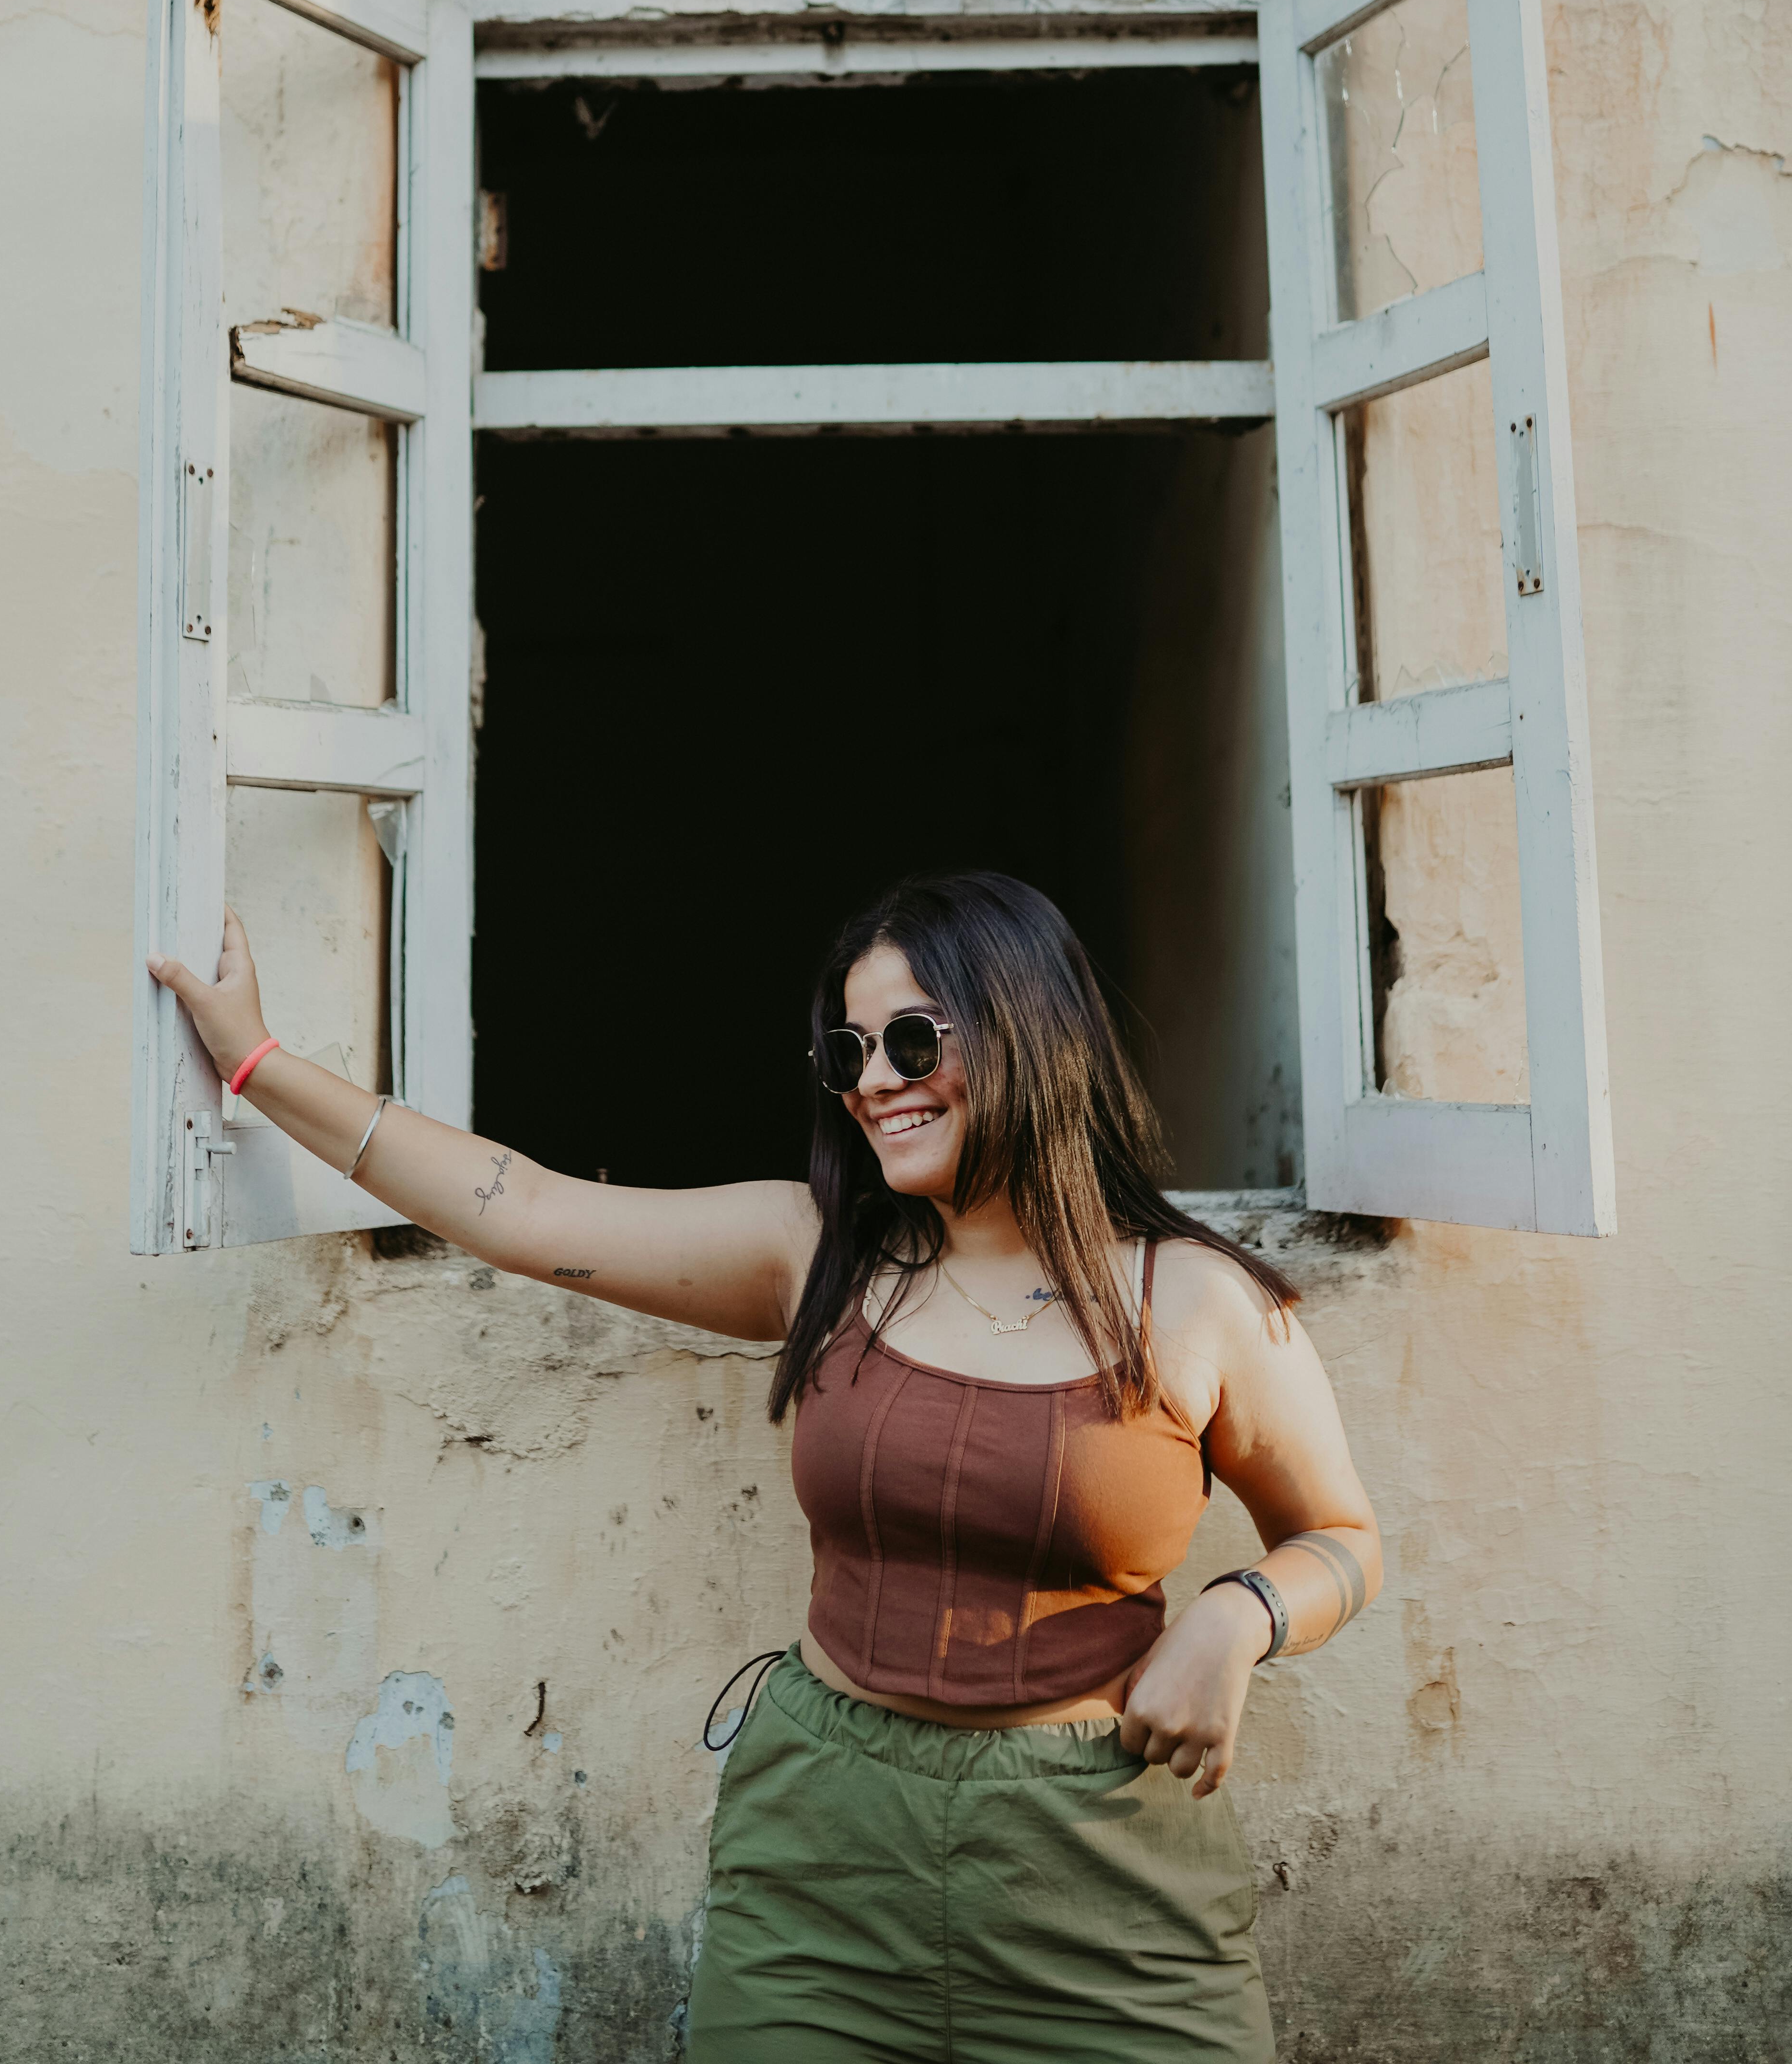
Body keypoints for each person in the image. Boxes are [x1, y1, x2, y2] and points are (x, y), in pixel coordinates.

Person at [151, 867, 1378, 2061]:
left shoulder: (1200, 1304)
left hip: (1105, 1868)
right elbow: (516, 1208)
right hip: (823, 1861)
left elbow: (1341, 1540)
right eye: (845, 1055)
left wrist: (1239, 1615)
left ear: (1026, 1031)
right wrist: (258, 1064)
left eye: (909, 1041)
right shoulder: (820, 1251)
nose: (872, 1084)